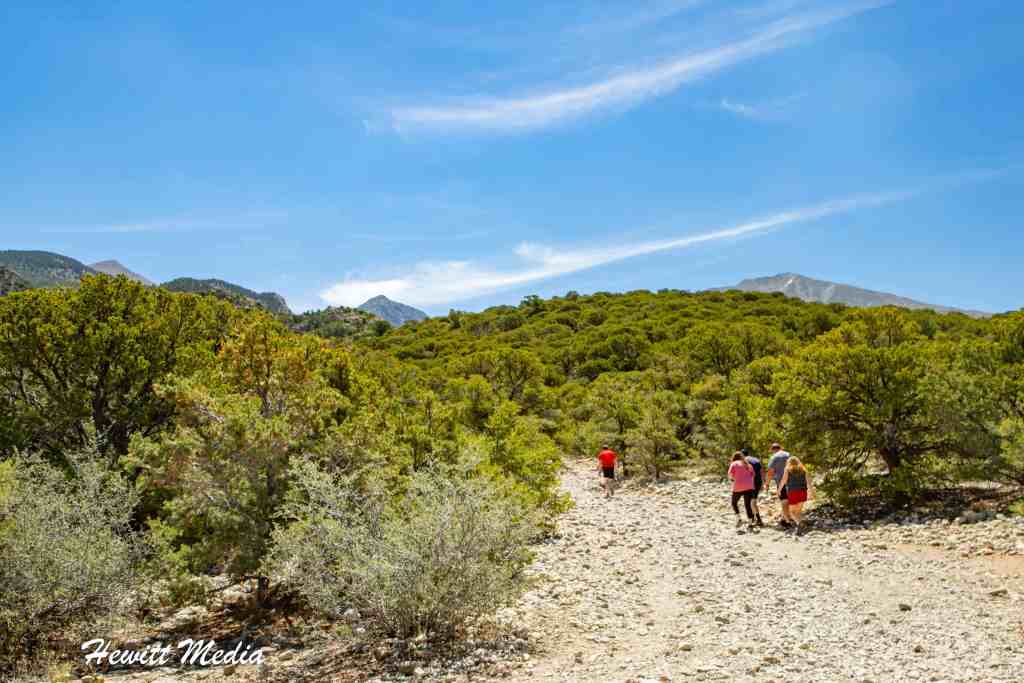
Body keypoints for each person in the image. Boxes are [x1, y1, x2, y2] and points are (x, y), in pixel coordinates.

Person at [778, 456, 810, 535]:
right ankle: (801, 525)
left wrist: (779, 490)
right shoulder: (803, 470)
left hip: (793, 492)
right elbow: (809, 482)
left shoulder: (788, 470)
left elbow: (783, 480)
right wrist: (812, 492)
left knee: (792, 512)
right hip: (803, 492)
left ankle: (799, 524)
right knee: (798, 512)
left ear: (789, 463)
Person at [765, 442, 793, 528]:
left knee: (784, 501)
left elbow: (770, 472)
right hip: (792, 481)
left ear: (773, 450)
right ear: (780, 448)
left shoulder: (774, 457)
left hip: (781, 482)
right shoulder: (789, 455)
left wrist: (767, 483)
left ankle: (786, 522)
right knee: (789, 500)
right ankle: (786, 517)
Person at [727, 452, 756, 530]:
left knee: (734, 502)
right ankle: (750, 523)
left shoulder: (734, 463)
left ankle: (739, 518)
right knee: (748, 505)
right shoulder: (748, 464)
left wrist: (733, 479)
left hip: (738, 486)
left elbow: (730, 475)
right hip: (749, 487)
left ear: (734, 458)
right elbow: (753, 475)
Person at [742, 448, 765, 527]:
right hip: (758, 482)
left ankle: (757, 519)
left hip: (750, 483)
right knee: (753, 501)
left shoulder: (744, 461)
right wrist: (763, 483)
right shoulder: (756, 459)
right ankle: (756, 518)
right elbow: (761, 471)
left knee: (750, 502)